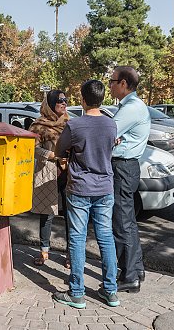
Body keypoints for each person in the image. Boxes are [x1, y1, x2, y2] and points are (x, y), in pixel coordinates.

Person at [53, 80, 120, 309]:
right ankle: (110, 291)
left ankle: (77, 293)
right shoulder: (111, 125)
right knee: (106, 237)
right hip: (104, 188)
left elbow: (58, 151)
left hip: (80, 188)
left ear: (82, 99)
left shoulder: (75, 125)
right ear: (102, 99)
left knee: (78, 239)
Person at [108, 66, 151, 293]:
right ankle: (136, 268)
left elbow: (108, 134)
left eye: (112, 81)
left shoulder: (131, 108)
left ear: (123, 83)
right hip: (128, 168)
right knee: (129, 222)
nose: (110, 86)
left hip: (123, 169)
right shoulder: (133, 107)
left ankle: (129, 277)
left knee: (121, 223)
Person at [29, 90, 71, 268]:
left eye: (65, 100)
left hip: (69, 173)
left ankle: (71, 253)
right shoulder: (38, 125)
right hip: (48, 172)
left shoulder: (69, 123)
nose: (64, 103)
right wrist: (51, 154)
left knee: (71, 215)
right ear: (50, 103)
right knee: (46, 214)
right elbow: (32, 148)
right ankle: (44, 251)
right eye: (60, 100)